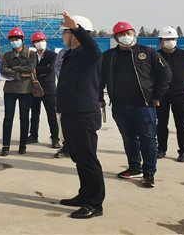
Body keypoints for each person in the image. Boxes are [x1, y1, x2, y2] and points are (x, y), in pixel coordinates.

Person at [101, 21, 172, 188]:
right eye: (121, 34)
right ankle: (134, 167)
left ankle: (149, 173)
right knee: (128, 138)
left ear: (134, 34)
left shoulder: (148, 53)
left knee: (148, 139)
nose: (126, 36)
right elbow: (100, 78)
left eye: (128, 33)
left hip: (144, 105)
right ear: (115, 38)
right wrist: (99, 97)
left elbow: (166, 73)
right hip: (119, 105)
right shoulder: (109, 56)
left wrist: (157, 96)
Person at [56, 13, 105, 219]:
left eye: (66, 32)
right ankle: (84, 195)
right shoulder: (71, 54)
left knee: (88, 159)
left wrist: (76, 28)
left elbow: (93, 47)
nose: (63, 36)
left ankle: (94, 203)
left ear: (76, 34)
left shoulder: (89, 54)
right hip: (70, 112)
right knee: (78, 158)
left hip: (84, 113)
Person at [156, 26, 184, 163]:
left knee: (181, 124)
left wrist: (183, 85)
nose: (170, 41)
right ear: (161, 41)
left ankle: (183, 151)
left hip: (180, 95)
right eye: (167, 39)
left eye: (173, 39)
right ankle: (161, 149)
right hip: (161, 96)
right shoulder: (156, 56)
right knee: (161, 124)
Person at [0, 28, 36, 156]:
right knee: (8, 118)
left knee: (24, 118)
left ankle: (22, 145)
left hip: (26, 90)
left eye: (17, 39)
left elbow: (31, 68)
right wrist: (19, 74)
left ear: (22, 40)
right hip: (9, 90)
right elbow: (3, 70)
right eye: (12, 39)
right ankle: (5, 146)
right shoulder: (7, 55)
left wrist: (13, 68)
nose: (15, 41)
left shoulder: (31, 54)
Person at [27, 32, 60, 149]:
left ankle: (55, 138)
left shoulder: (53, 55)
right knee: (34, 114)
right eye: (37, 41)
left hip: (49, 89)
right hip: (35, 88)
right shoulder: (31, 56)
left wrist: (35, 70)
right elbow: (29, 69)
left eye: (42, 40)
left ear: (45, 42)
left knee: (51, 115)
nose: (40, 43)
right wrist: (42, 69)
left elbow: (50, 70)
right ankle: (33, 135)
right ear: (33, 44)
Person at [53, 46, 70, 159]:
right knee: (65, 120)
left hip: (84, 92)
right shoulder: (63, 53)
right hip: (65, 90)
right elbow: (58, 70)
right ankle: (67, 146)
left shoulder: (90, 51)